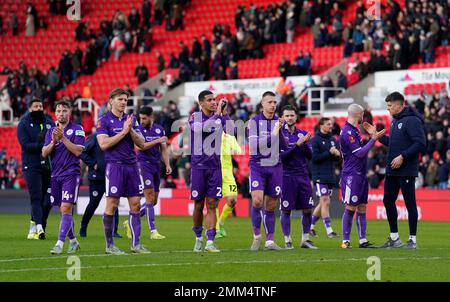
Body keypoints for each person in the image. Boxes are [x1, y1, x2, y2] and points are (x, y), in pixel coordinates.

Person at [365, 92, 426, 249]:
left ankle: (412, 240)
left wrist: (402, 157)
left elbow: (420, 143)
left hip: (406, 170)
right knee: (387, 200)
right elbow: (392, 143)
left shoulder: (412, 121)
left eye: (390, 106)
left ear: (399, 105)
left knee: (410, 204)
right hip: (392, 170)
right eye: (387, 106)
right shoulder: (395, 121)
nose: (388, 109)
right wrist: (376, 136)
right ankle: (394, 238)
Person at [96, 88, 148, 254]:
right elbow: (103, 144)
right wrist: (124, 132)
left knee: (136, 204)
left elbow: (142, 143)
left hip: (132, 166)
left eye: (126, 100)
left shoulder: (131, 120)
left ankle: (136, 244)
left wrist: (130, 130)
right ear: (111, 101)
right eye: (120, 99)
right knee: (112, 205)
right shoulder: (103, 121)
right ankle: (109, 245)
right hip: (115, 167)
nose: (124, 102)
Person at [42, 101, 85, 254]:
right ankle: (73, 241)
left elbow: (78, 152)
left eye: (64, 110)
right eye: (58, 110)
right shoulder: (51, 132)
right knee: (62, 210)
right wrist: (54, 141)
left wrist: (63, 138)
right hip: (55, 175)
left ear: (69, 112)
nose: (61, 113)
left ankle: (59, 244)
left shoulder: (77, 129)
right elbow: (44, 153)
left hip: (71, 174)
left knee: (66, 208)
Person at [340, 104, 385, 249]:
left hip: (360, 174)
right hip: (352, 175)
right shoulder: (348, 132)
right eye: (363, 114)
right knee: (350, 207)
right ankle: (346, 241)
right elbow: (359, 153)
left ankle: (362, 240)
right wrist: (373, 139)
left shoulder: (355, 131)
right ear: (358, 114)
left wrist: (371, 138)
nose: (364, 116)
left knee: (362, 207)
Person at [189, 90, 229, 252]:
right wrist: (217, 115)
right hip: (199, 167)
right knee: (199, 205)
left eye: (215, 99)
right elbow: (201, 129)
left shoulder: (219, 117)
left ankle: (210, 241)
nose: (214, 102)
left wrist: (224, 115)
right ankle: (198, 237)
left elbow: (233, 132)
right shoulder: (195, 117)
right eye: (210, 100)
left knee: (212, 204)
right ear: (201, 103)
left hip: (214, 167)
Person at [248, 91, 287, 251]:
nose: (273, 105)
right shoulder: (254, 122)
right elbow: (255, 145)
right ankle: (257, 236)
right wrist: (274, 133)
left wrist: (281, 131)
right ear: (262, 104)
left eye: (274, 102)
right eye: (269, 102)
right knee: (257, 200)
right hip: (258, 165)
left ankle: (270, 241)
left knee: (271, 205)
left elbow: (284, 146)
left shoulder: (278, 122)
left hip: (275, 165)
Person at [124, 106, 171, 240]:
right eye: (141, 118)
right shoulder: (138, 130)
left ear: (152, 117)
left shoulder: (159, 129)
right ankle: (153, 231)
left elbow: (163, 148)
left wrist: (167, 164)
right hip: (143, 165)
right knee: (149, 197)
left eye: (144, 118)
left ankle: (130, 221)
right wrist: (157, 140)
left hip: (156, 165)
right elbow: (141, 146)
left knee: (154, 201)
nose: (142, 120)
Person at [279, 105, 317, 249]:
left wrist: (305, 144)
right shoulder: (280, 135)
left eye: (292, 115)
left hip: (303, 176)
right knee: (286, 210)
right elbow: (282, 157)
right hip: (287, 176)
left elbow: (310, 156)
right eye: (287, 116)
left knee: (307, 209)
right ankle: (287, 239)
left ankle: (305, 239)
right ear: (283, 118)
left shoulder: (302, 133)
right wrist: (297, 145)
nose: (289, 118)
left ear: (296, 117)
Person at [17, 98, 55, 240]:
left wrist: (49, 143)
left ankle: (34, 224)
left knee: (48, 199)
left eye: (40, 106)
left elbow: (55, 142)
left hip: (47, 165)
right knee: (36, 197)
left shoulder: (49, 123)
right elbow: (25, 145)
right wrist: (42, 144)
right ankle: (40, 228)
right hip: (31, 166)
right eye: (35, 106)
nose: (39, 108)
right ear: (30, 108)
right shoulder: (24, 124)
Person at [79, 129, 121, 238]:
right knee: (93, 204)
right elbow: (82, 152)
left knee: (114, 202)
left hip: (112, 176)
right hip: (97, 177)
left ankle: (114, 231)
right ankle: (83, 226)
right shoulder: (94, 137)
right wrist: (93, 164)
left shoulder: (114, 137)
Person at [310, 117, 340, 238]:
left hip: (330, 175)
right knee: (325, 201)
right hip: (319, 175)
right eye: (328, 124)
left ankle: (310, 226)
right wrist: (330, 152)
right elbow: (314, 158)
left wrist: (337, 155)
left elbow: (336, 158)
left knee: (323, 202)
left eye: (331, 124)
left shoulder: (333, 140)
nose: (330, 126)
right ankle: (329, 230)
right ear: (321, 125)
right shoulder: (315, 140)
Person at [215, 131, 242, 238]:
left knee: (232, 200)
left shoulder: (229, 137)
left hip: (227, 174)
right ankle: (216, 229)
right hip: (214, 172)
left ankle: (220, 224)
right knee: (214, 201)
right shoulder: (209, 136)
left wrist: (232, 149)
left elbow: (238, 150)